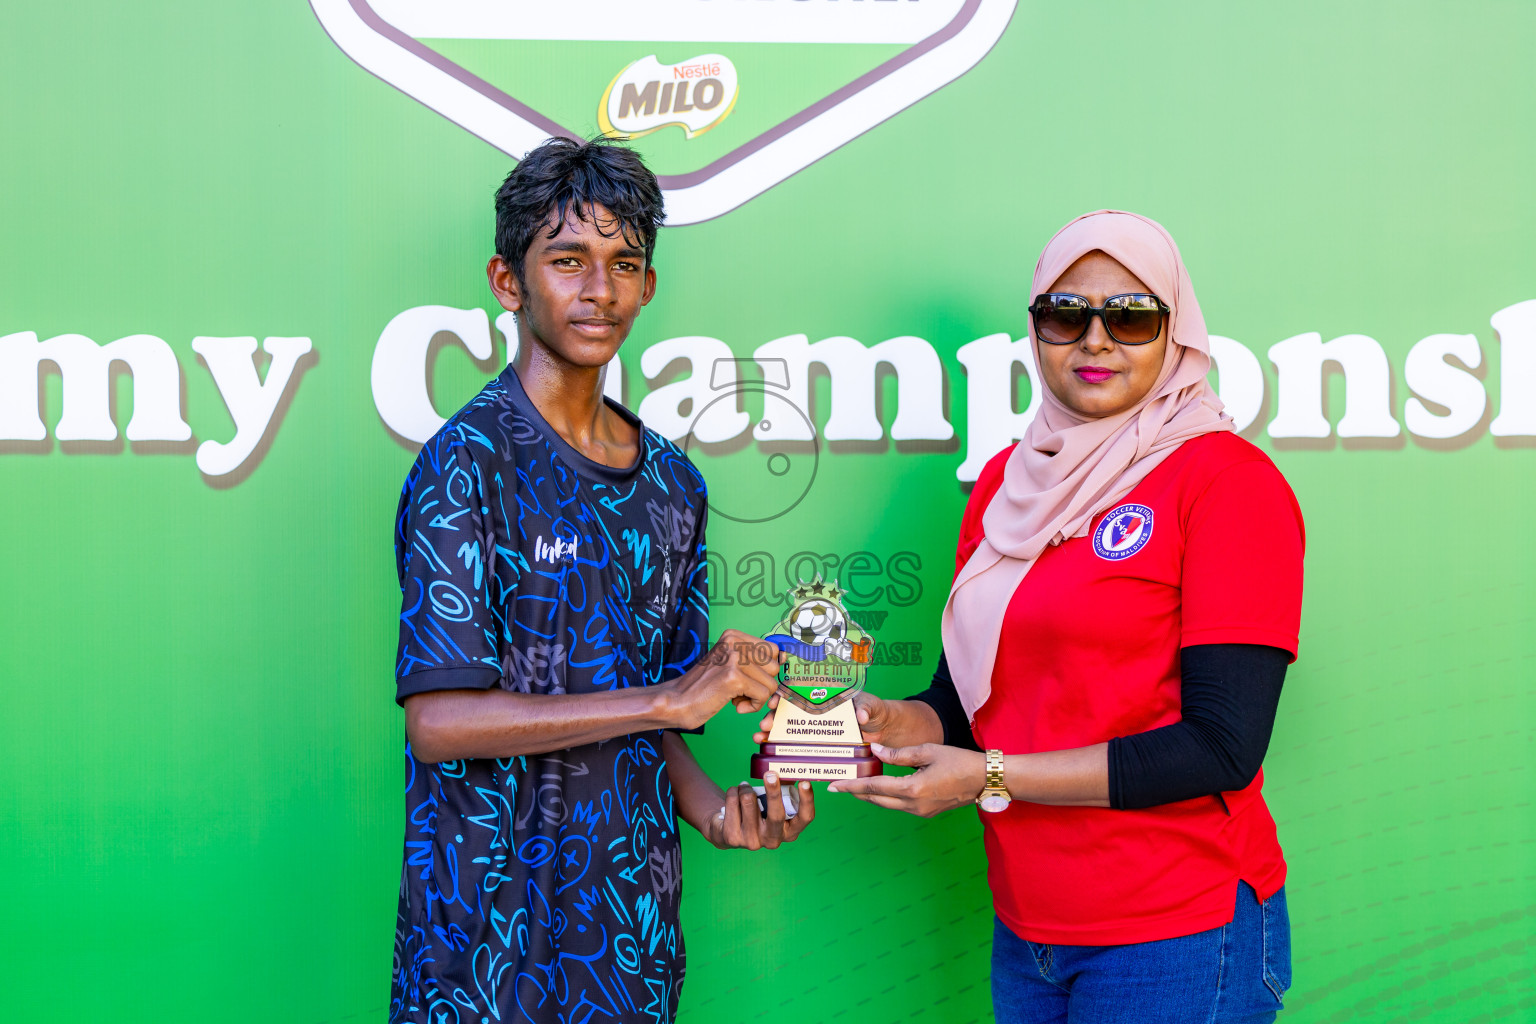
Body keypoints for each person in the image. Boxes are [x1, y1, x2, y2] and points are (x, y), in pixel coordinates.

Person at [761, 211, 1304, 1022]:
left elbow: (1221, 749)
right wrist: (883, 725)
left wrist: (989, 778)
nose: (1095, 339)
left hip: (1179, 933)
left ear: (1175, 333)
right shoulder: (1006, 486)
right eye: (1064, 314)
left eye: (1130, 316)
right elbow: (969, 702)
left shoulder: (1228, 483)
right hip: (1030, 934)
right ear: (1037, 330)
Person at [390, 137, 815, 1024]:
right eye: (568, 261)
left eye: (625, 264)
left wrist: (716, 812)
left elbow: (665, 709)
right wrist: (663, 701)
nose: (600, 290)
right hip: (484, 944)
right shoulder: (463, 466)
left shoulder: (674, 484)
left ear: (648, 285)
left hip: (628, 936)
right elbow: (439, 725)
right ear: (509, 282)